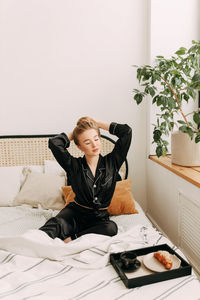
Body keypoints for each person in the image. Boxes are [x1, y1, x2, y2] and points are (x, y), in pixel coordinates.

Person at [39, 117, 132, 243]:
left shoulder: (113, 162)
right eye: (87, 143)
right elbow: (55, 143)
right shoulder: (73, 165)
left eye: (96, 139)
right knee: (50, 228)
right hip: (74, 215)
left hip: (99, 220)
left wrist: (96, 124)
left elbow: (126, 132)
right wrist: (76, 132)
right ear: (79, 146)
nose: (94, 145)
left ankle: (74, 238)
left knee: (111, 228)